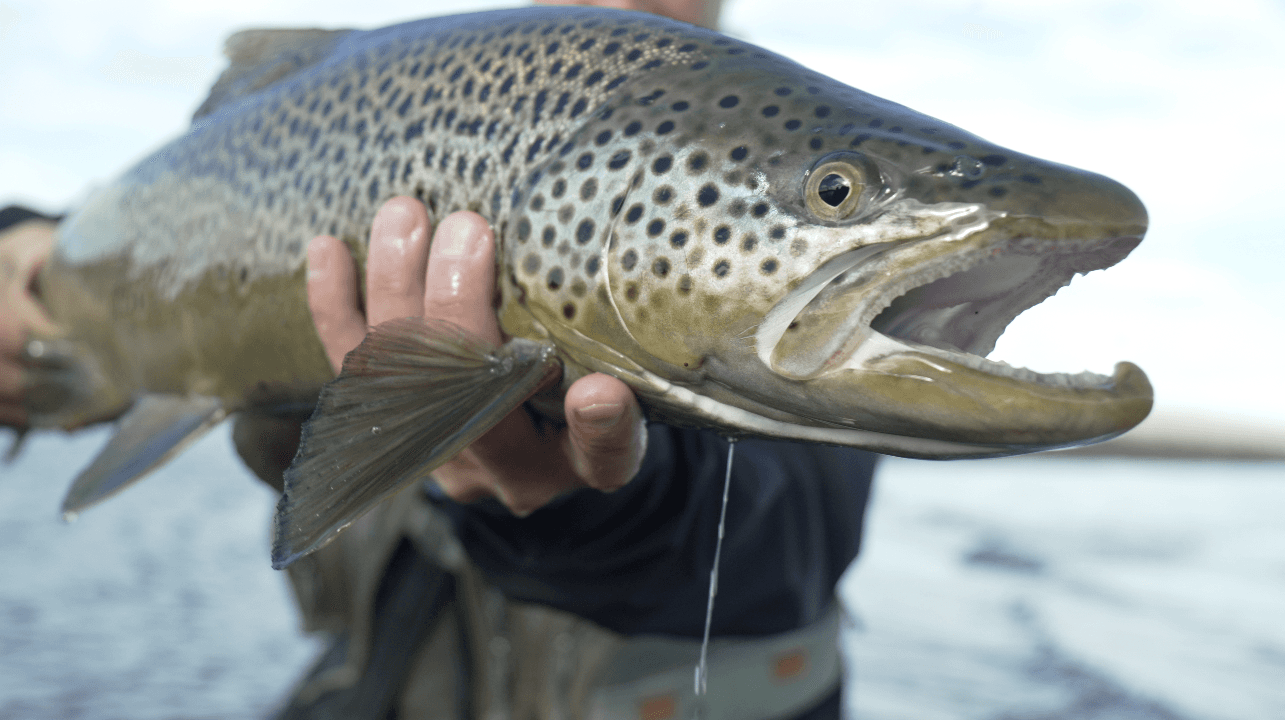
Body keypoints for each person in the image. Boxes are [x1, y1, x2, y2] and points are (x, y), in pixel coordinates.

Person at [0, 1, 879, 717]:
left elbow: (789, 537)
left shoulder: (771, 156)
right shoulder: (423, 99)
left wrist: (593, 510)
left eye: (836, 196)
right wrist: (17, 249)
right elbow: (137, 244)